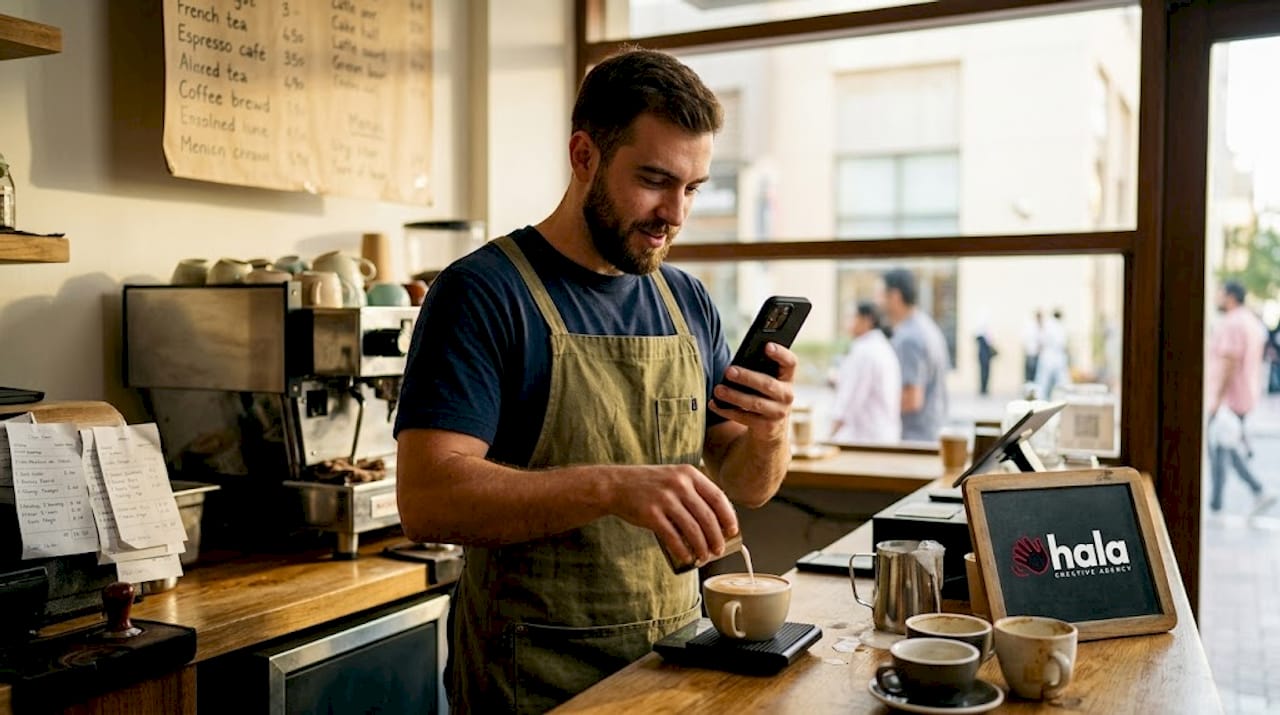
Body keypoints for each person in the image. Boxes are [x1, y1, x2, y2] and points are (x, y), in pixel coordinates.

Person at [393, 49, 797, 713]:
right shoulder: (481, 293)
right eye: (654, 180)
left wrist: (770, 429)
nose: (675, 213)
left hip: (672, 668)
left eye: (692, 187)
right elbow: (429, 497)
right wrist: (612, 484)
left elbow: (746, 480)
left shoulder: (686, 301)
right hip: (530, 679)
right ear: (584, 155)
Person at [1206, 280, 1274, 516]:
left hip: (1228, 400)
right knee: (1225, 447)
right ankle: (1222, 500)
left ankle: (1253, 491)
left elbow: (1229, 362)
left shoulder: (1232, 323)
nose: (1217, 298)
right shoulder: (1250, 321)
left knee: (1221, 447)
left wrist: (1216, 400)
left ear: (1231, 297)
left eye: (1220, 293)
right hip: (1243, 397)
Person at [880, 269, 950, 442]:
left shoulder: (908, 337)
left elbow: (911, 399)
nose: (878, 301)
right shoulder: (926, 325)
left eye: (881, 294)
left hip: (913, 438)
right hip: (931, 432)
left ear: (895, 296)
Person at [830, 302, 901, 444]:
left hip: (865, 439)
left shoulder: (864, 351)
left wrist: (830, 435)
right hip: (884, 435)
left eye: (852, 317)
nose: (848, 323)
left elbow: (848, 400)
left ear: (867, 320)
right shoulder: (882, 347)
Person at [1035, 308, 1069, 400]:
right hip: (1057, 357)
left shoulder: (1047, 325)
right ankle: (1064, 400)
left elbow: (1040, 342)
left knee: (1043, 381)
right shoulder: (1060, 327)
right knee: (1061, 381)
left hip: (1047, 356)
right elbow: (1062, 344)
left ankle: (1040, 401)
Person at [975, 321, 998, 396]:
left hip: (986, 357)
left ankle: (984, 388)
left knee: (986, 373)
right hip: (984, 358)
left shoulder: (986, 336)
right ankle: (983, 389)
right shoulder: (981, 337)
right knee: (983, 373)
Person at [1021, 310, 1042, 385]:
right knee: (1031, 375)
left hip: (1033, 353)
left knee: (1032, 375)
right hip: (1032, 353)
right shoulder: (1033, 327)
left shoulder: (1038, 327)